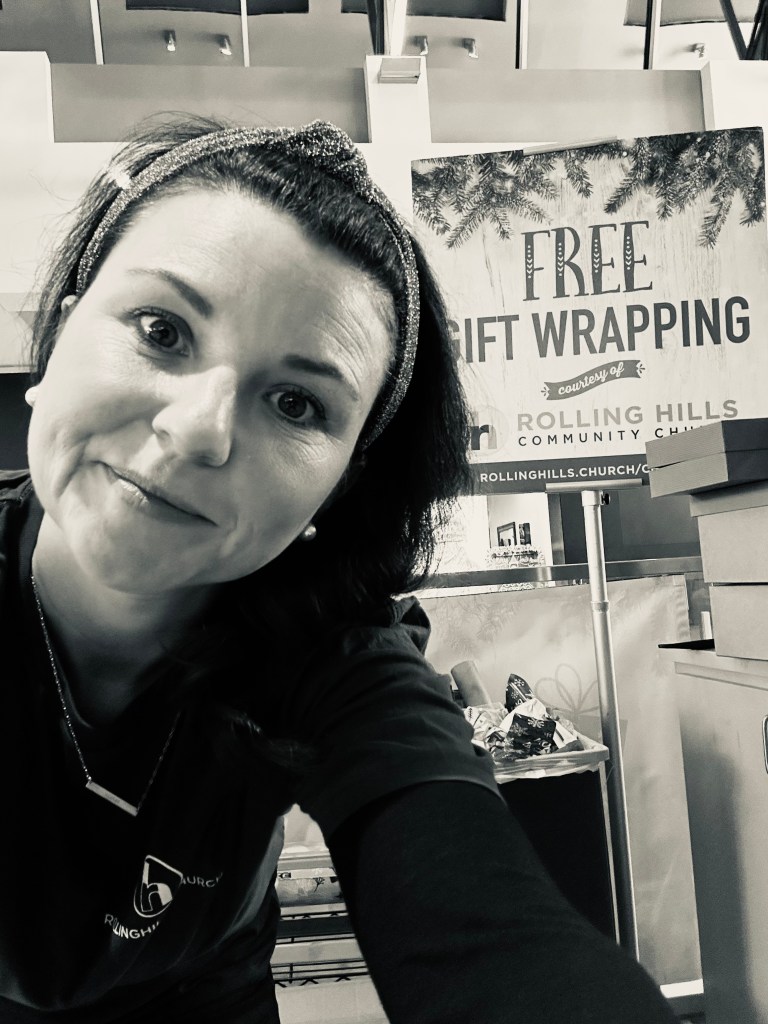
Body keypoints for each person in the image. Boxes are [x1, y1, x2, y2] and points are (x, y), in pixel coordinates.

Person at [0, 116, 676, 1023]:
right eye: (161, 330)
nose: (197, 430)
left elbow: (490, 938)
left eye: (295, 402)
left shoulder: (330, 653)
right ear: (60, 331)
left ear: (342, 480)